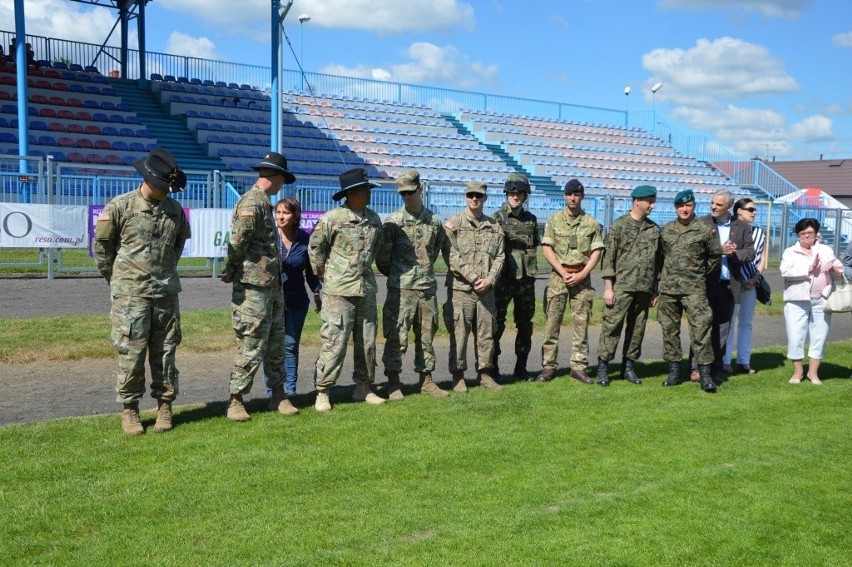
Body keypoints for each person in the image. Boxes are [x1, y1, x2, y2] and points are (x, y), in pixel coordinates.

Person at [94, 148, 191, 435]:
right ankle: (130, 410)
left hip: (165, 294)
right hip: (131, 295)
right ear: (148, 179)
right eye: (163, 186)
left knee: (165, 353)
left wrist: (162, 274)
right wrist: (120, 281)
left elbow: (177, 247)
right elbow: (103, 250)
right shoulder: (120, 207)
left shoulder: (174, 211)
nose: (166, 191)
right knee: (131, 354)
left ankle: (164, 406)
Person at [221, 152, 296, 421]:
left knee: (276, 342)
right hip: (253, 287)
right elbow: (238, 241)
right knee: (251, 342)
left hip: (271, 285)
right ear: (275, 177)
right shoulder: (252, 202)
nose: (281, 186)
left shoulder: (264, 203)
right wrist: (231, 268)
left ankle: (278, 395)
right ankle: (236, 399)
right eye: (282, 180)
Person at [309, 167, 386, 411]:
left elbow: (376, 249)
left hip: (366, 289)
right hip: (338, 291)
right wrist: (326, 278)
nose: (369, 193)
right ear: (351, 193)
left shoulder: (374, 219)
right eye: (365, 189)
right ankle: (323, 391)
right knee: (335, 341)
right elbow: (316, 249)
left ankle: (363, 387)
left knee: (367, 342)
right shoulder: (333, 218)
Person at [376, 170, 449, 400]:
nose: (407, 197)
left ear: (420, 189)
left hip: (426, 289)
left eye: (410, 192)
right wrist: (400, 275)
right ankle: (393, 382)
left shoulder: (434, 221)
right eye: (403, 193)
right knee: (397, 336)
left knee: (426, 336)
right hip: (401, 289)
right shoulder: (393, 223)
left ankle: (426, 380)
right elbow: (383, 258)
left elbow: (435, 250)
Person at [537, 179, 604, 384]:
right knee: (552, 323)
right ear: (564, 196)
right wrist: (562, 271)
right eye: (569, 194)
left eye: (576, 194)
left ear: (582, 196)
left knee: (581, 324)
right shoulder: (555, 220)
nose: (573, 198)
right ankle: (548, 367)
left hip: (581, 278)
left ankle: (579, 366)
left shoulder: (591, 223)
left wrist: (582, 274)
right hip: (559, 276)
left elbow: (597, 251)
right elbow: (547, 248)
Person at [443, 180, 506, 392]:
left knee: (486, 333)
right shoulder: (453, 224)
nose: (474, 199)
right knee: (459, 334)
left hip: (486, 291)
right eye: (471, 195)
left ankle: (485, 374)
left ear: (485, 198)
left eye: (479, 196)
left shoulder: (494, 227)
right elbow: (450, 256)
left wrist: (489, 280)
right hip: (462, 290)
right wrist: (472, 277)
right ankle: (458, 375)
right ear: (465, 197)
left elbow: (500, 256)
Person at [596, 185, 662, 386]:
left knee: (637, 329)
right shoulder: (619, 226)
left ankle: (629, 367)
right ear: (637, 201)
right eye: (649, 201)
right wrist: (608, 287)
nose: (652, 205)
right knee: (611, 326)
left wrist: (655, 289)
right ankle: (603, 368)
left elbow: (657, 263)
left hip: (643, 289)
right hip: (621, 288)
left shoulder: (653, 230)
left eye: (653, 201)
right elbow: (608, 260)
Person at [657, 189, 722, 393]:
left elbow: (714, 257)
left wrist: (698, 275)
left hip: (694, 290)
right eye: (680, 206)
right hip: (668, 290)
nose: (684, 209)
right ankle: (674, 372)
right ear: (675, 207)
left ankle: (705, 375)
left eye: (688, 205)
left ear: (694, 206)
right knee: (669, 331)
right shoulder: (666, 230)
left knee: (701, 331)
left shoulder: (705, 230)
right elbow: (661, 257)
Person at [261, 198, 321, 405]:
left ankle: (290, 391)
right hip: (271, 301)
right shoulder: (269, 238)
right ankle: (272, 392)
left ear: (295, 215)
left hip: (297, 300)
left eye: (285, 213)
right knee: (271, 347)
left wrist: (317, 291)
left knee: (290, 345)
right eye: (277, 212)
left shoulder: (304, 239)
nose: (280, 216)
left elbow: (311, 272)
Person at [693, 189, 754, 382]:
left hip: (728, 285)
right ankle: (695, 367)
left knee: (722, 328)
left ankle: (716, 367)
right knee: (701, 326)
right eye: (712, 203)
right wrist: (719, 250)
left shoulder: (742, 227)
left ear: (728, 207)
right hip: (705, 284)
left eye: (718, 204)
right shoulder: (701, 223)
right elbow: (694, 250)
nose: (713, 207)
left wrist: (733, 254)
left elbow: (750, 253)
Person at [780, 218, 844, 385]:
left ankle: (813, 373)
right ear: (797, 235)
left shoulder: (825, 250)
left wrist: (834, 269)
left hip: (821, 299)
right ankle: (798, 372)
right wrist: (808, 268)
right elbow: (785, 272)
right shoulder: (790, 252)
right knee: (795, 336)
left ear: (816, 234)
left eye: (810, 233)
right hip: (796, 301)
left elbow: (839, 272)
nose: (807, 236)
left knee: (819, 336)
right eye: (803, 233)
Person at [491, 173, 540, 381]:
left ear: (525, 195)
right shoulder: (497, 218)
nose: (515, 196)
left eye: (519, 193)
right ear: (506, 194)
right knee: (497, 325)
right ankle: (492, 368)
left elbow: (533, 246)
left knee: (525, 325)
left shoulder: (531, 219)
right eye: (511, 192)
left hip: (525, 281)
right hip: (503, 280)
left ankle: (521, 368)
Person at [724, 198, 767, 374]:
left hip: (751, 283)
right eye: (750, 209)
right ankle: (725, 361)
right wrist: (741, 280)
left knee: (746, 323)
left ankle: (744, 361)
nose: (754, 212)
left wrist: (755, 278)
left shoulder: (759, 232)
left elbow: (762, 258)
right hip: (733, 281)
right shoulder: (729, 229)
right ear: (738, 211)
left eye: (754, 210)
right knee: (729, 322)